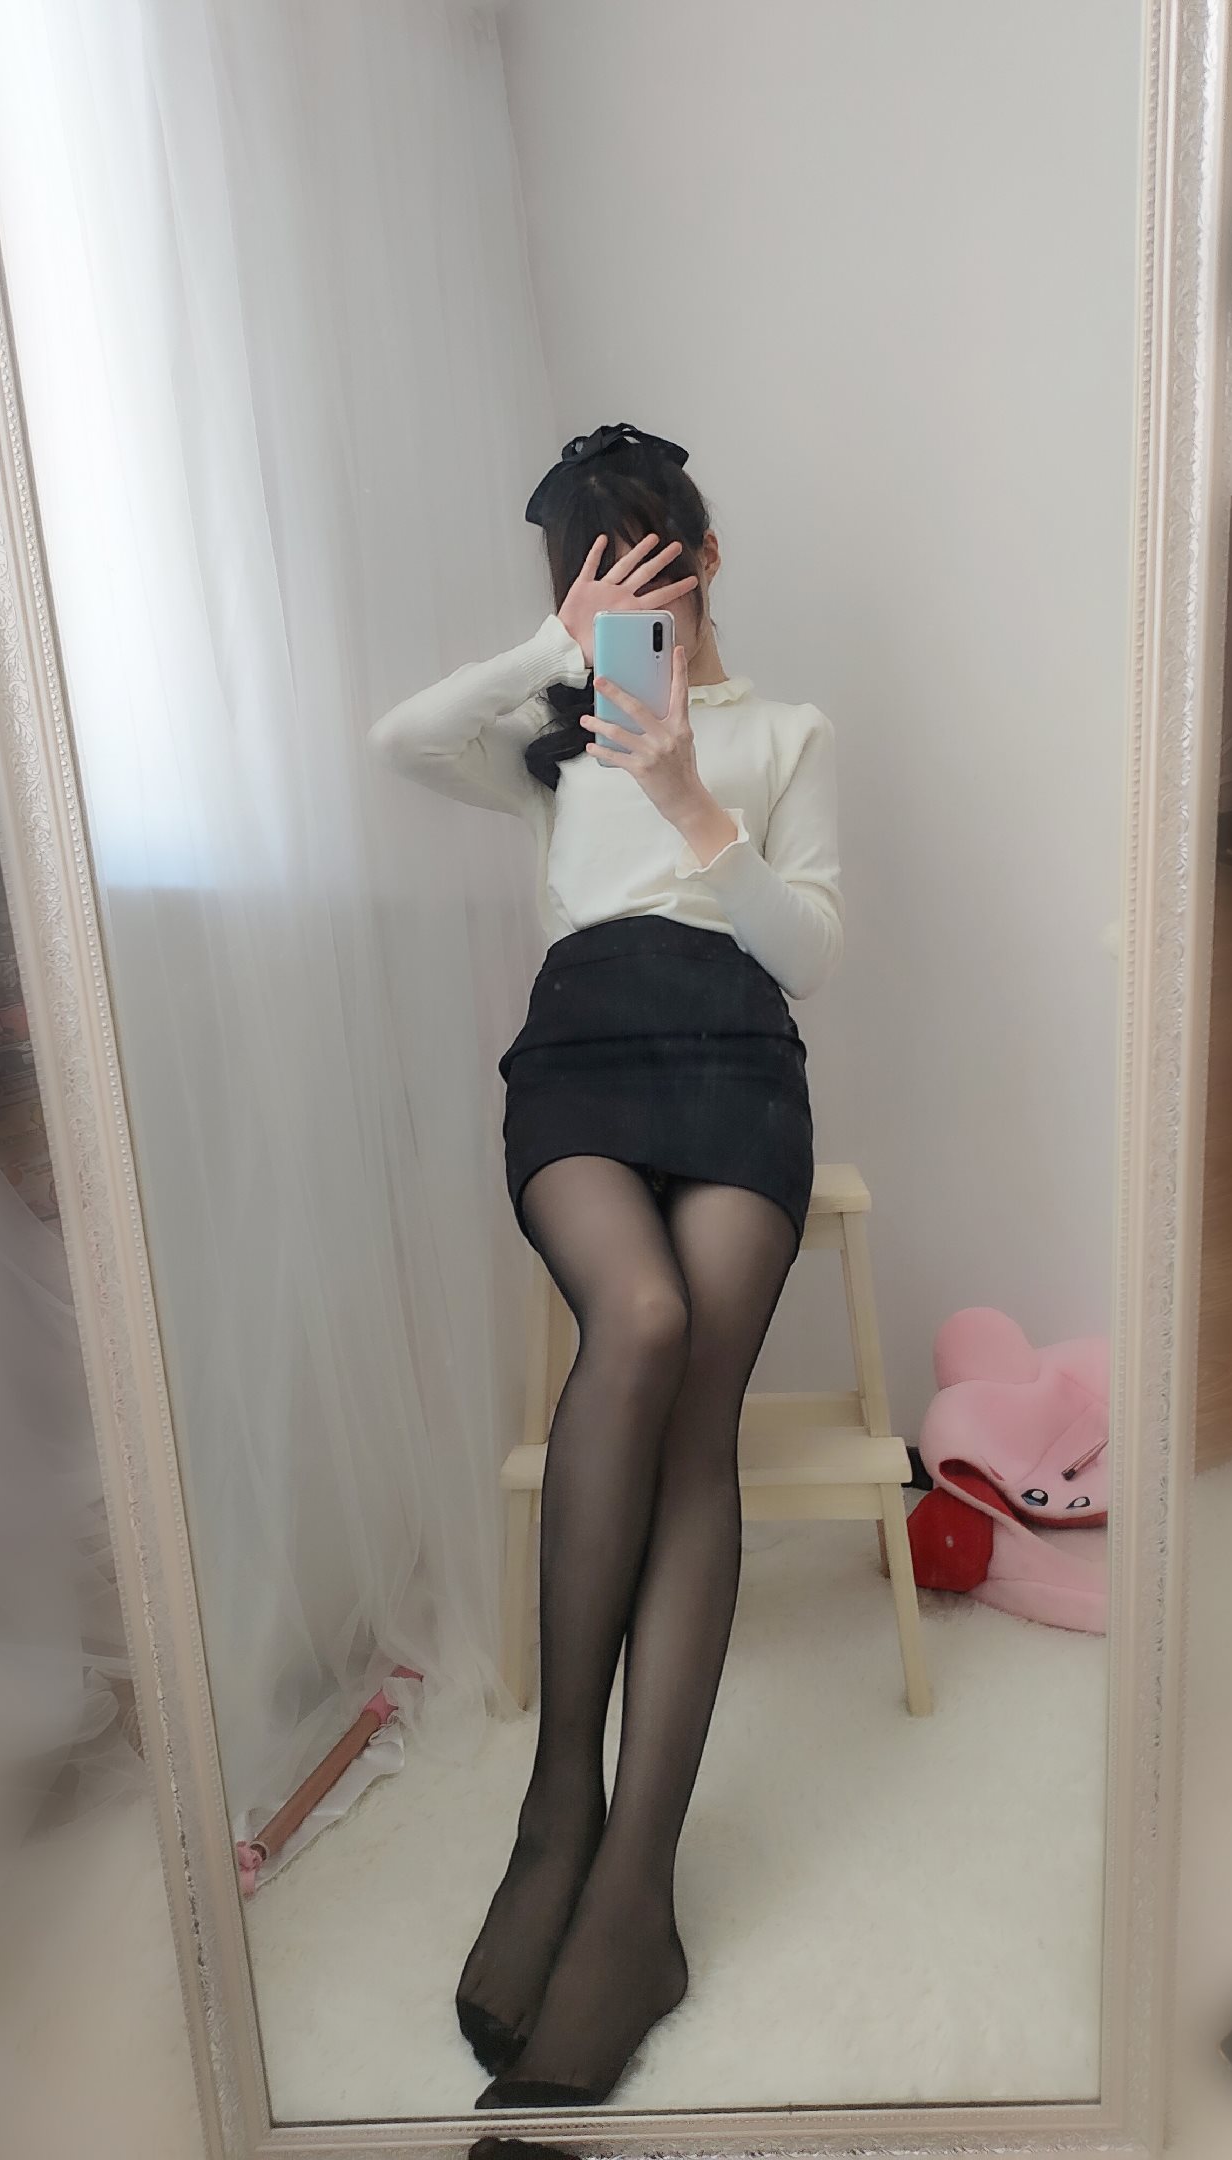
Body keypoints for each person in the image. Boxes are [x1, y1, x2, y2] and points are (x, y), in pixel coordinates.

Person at [369, 422, 842, 2108]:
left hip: (738, 1059)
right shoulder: (547, 744)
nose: (640, 602)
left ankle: (634, 1894)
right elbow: (398, 741)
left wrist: (694, 802)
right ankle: (556, 1817)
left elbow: (811, 950)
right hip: (579, 1055)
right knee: (634, 1316)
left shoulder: (782, 734)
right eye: (600, 576)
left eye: (656, 568)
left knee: (694, 1395)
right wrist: (546, 651)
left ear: (705, 564)